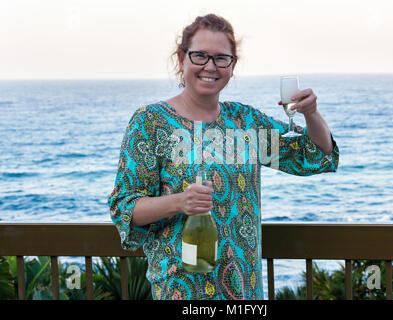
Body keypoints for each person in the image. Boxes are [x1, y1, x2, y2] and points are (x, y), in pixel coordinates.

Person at [108, 13, 339, 300]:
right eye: (200, 56)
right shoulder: (150, 122)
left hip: (244, 291)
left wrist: (311, 113)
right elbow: (124, 208)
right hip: (180, 290)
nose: (210, 66)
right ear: (182, 59)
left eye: (220, 58)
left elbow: (315, 155)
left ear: (232, 66)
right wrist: (179, 201)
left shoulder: (245, 121)